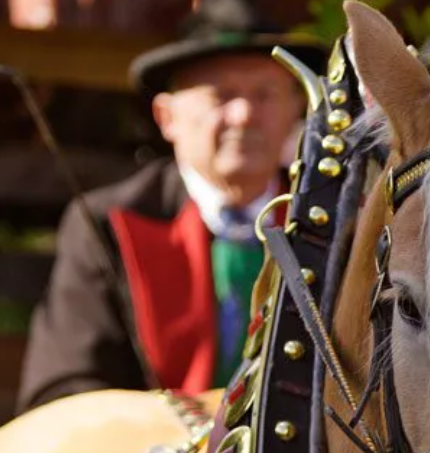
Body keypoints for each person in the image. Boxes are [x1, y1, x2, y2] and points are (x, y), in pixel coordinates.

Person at [16, 0, 325, 411]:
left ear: (296, 110)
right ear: (167, 117)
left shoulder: (330, 221)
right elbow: (64, 391)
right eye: (222, 95)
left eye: (265, 94)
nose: (245, 114)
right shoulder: (108, 225)